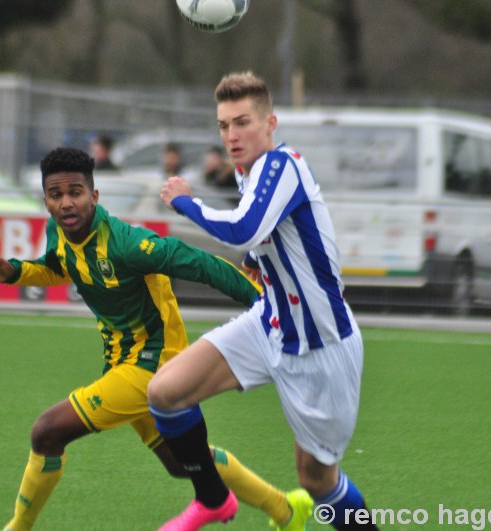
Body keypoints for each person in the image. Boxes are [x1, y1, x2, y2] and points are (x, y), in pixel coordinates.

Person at [0, 147, 313, 531]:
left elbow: (199, 263)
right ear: (46, 201)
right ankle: (286, 508)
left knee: (48, 431)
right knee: (183, 460)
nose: (67, 203)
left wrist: (266, 303)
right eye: (56, 195)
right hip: (122, 362)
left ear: (94, 196)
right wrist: (15, 272)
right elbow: (58, 267)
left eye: (76, 192)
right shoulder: (60, 232)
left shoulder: (127, 244)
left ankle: (16, 527)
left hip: (154, 364)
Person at [149, 71, 378, 530]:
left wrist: (185, 203)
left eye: (242, 122)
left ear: (270, 123)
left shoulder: (283, 164)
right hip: (268, 326)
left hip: (321, 349)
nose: (232, 135)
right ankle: (213, 499)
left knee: (315, 479)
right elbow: (262, 236)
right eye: (223, 125)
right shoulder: (247, 171)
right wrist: (259, 258)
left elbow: (244, 227)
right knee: (164, 393)